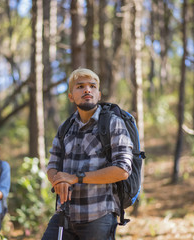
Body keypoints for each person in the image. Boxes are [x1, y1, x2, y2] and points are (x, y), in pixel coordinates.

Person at [42, 68, 133, 240]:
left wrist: (76, 178)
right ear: (71, 96)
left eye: (92, 86)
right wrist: (58, 180)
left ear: (99, 94)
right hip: (64, 215)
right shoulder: (65, 128)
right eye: (80, 86)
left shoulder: (113, 124)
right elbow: (52, 166)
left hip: (98, 216)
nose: (87, 90)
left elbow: (122, 169)